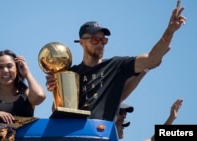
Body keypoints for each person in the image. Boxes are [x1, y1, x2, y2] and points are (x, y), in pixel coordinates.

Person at [46, 4, 186, 121]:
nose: (100, 44)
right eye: (95, 40)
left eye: (103, 40)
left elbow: (151, 59)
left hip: (100, 135)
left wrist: (169, 31)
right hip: (73, 135)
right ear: (82, 43)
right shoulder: (71, 73)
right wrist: (57, 92)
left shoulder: (116, 66)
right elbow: (57, 111)